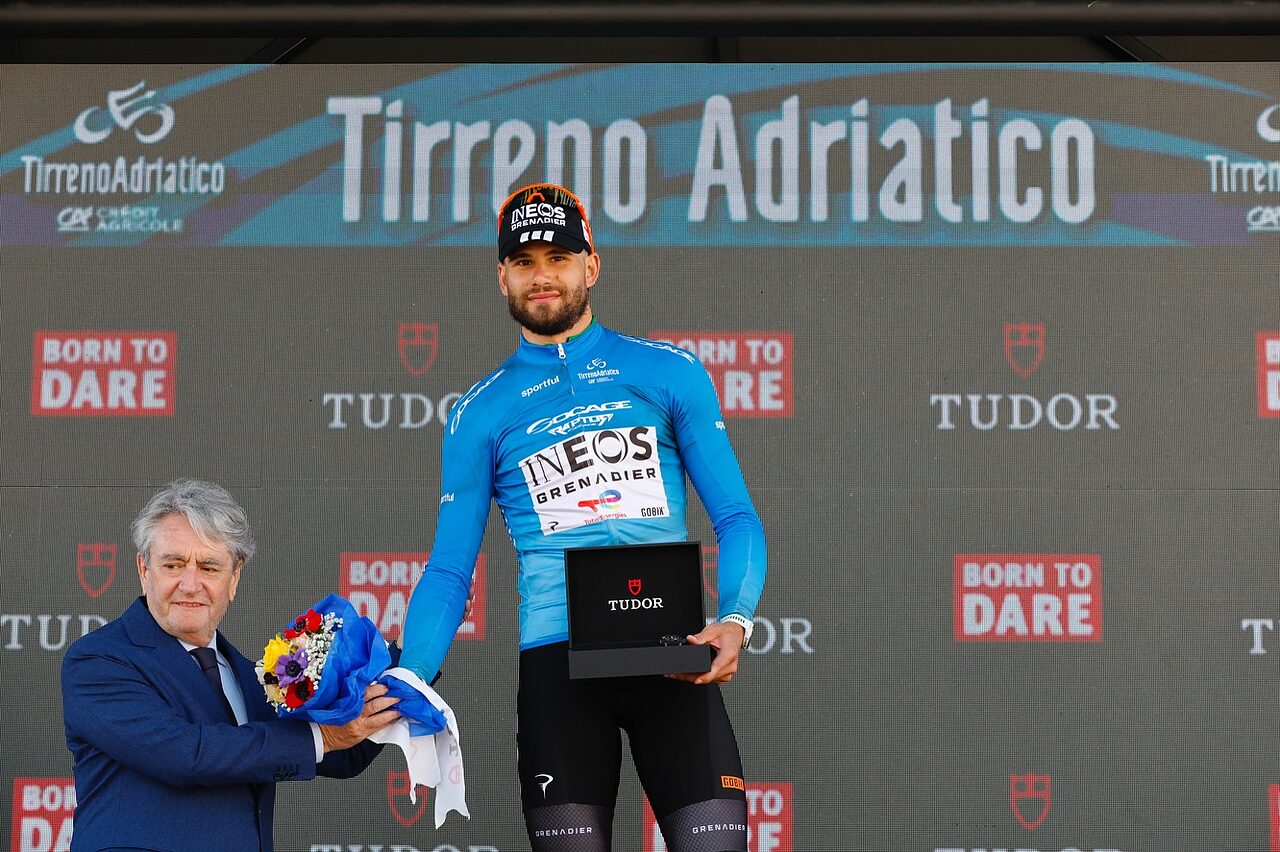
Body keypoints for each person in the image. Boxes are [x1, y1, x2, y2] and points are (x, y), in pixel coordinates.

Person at [401, 183, 767, 851]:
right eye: (523, 261)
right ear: (502, 277)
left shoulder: (667, 370)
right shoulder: (479, 411)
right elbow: (451, 568)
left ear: (591, 265)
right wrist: (412, 672)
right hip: (558, 669)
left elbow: (737, 516)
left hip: (674, 660)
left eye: (559, 257)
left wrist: (737, 617)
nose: (542, 276)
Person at [61, 479, 400, 852]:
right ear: (144, 570)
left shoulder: (250, 675)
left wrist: (418, 644)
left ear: (233, 579)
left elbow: (345, 753)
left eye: (209, 568)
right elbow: (186, 754)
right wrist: (323, 738)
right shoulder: (98, 662)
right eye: (173, 564)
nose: (190, 585)